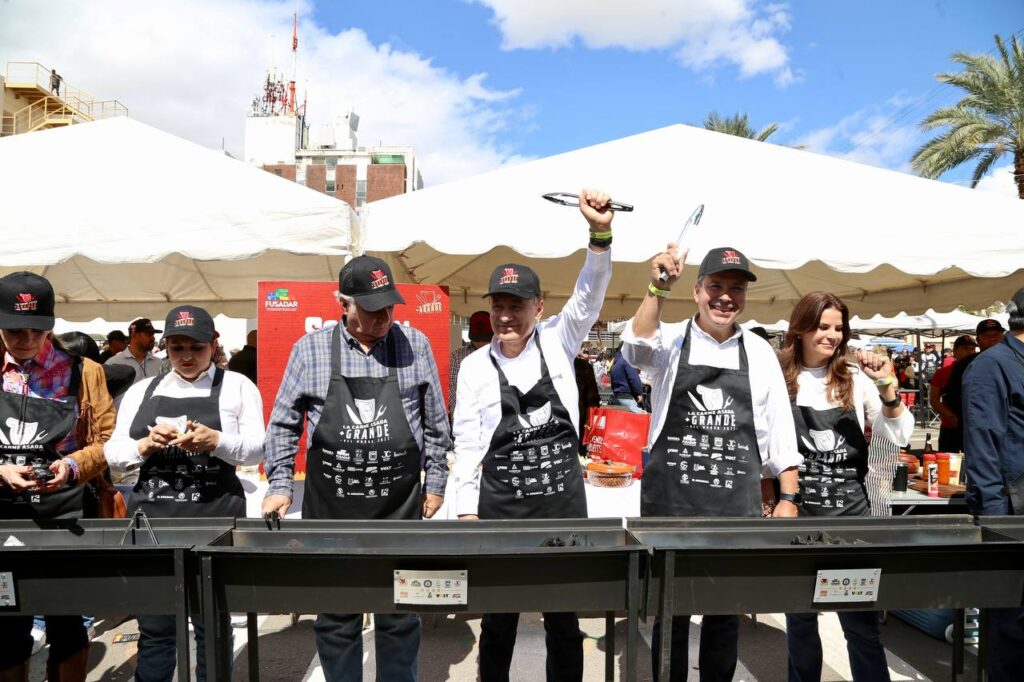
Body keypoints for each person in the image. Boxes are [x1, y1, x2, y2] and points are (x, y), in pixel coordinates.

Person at [451, 188, 615, 682]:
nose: (506, 315)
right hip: (500, 511)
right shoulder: (475, 367)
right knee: (497, 625)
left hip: (562, 510)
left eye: (517, 305)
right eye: (498, 305)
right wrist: (466, 511)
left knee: (564, 624)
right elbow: (466, 443)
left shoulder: (560, 343)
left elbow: (589, 292)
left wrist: (600, 234)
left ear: (539, 307)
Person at [262, 256, 449, 682]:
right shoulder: (309, 350)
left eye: (389, 306)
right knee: (336, 615)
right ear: (342, 303)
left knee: (400, 615)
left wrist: (434, 483)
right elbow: (284, 424)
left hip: (400, 507)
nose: (383, 316)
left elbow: (437, 422)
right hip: (332, 509)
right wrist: (280, 486)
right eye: (371, 308)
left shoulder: (414, 344)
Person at [620, 244, 802, 682]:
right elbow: (635, 349)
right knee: (671, 612)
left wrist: (788, 496)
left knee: (725, 613)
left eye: (735, 289)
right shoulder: (671, 340)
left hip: (734, 506)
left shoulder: (758, 352)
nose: (725, 297)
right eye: (715, 287)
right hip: (672, 504)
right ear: (698, 291)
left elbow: (779, 426)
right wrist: (657, 288)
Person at [104, 305, 265, 682]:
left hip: (216, 519)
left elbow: (258, 448)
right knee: (157, 625)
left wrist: (218, 441)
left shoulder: (238, 386)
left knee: (212, 622)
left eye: (196, 348)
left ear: (214, 344)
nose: (187, 357)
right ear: (165, 348)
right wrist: (144, 446)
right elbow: (113, 455)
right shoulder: (143, 390)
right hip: (152, 522)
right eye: (177, 349)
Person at [777, 292, 913, 682]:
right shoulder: (779, 376)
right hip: (798, 521)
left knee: (861, 626)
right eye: (823, 327)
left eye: (838, 328)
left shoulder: (854, 378)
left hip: (852, 520)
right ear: (801, 328)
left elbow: (899, 434)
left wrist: (887, 386)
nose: (832, 335)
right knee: (801, 623)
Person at [0, 272, 115, 681]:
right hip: (3, 514)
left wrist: (69, 467)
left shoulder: (84, 372)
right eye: (15, 330)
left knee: (68, 621)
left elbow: (107, 442)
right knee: (6, 622)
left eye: (37, 329)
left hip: (67, 513)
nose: (26, 339)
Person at [962, 289, 1024, 681]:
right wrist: (995, 521)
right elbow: (983, 446)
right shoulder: (991, 366)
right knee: (1011, 621)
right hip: (1013, 511)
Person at [940, 318, 1005, 452]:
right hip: (975, 431)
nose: (992, 339)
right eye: (987, 336)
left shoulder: (1015, 360)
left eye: (996, 335)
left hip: (1008, 431)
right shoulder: (966, 364)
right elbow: (950, 395)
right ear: (979, 340)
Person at [929, 335, 977, 451]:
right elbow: (934, 400)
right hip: (950, 427)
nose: (970, 352)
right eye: (966, 348)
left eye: (972, 349)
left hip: (975, 427)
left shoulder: (982, 369)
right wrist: (950, 416)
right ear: (955, 351)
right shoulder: (942, 372)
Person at [448, 310, 493, 417]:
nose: (481, 344)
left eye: (485, 341)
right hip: (466, 417)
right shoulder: (457, 356)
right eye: (478, 340)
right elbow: (453, 390)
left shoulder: (502, 354)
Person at [105, 317, 164, 389]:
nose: (153, 338)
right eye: (149, 334)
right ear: (134, 335)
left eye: (153, 334)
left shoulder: (159, 364)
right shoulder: (113, 363)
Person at [573, 349, 601, 443]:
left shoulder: (584, 367)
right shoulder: (583, 366)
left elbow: (593, 400)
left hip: (578, 422)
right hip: (577, 422)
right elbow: (593, 400)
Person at [610, 346, 645, 413]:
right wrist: (639, 393)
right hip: (628, 397)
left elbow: (612, 381)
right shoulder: (627, 360)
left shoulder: (615, 362)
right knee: (639, 418)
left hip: (618, 397)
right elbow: (633, 378)